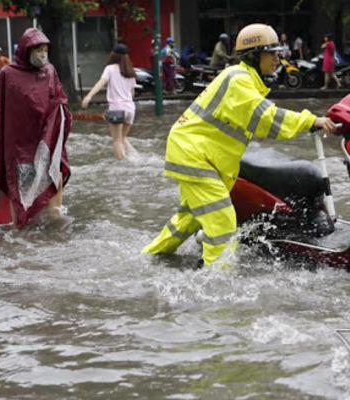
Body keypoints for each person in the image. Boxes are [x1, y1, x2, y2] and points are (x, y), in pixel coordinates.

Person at [142, 23, 337, 269]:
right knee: (223, 222)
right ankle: (217, 283)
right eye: (271, 53)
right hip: (195, 155)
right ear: (254, 55)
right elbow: (266, 119)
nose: (278, 58)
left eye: (277, 53)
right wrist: (311, 121)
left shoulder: (245, 80)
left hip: (198, 154)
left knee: (187, 219)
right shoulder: (239, 80)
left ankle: (151, 258)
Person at [0, 28, 71, 229]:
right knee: (19, 195)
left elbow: (59, 100)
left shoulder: (50, 71)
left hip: (45, 143)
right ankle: (18, 234)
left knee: (53, 185)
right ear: (26, 50)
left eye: (45, 49)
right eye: (38, 49)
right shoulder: (7, 74)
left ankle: (55, 233)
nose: (42, 53)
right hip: (19, 148)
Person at [82, 44, 137, 161]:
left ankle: (123, 165)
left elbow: (101, 83)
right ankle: (136, 159)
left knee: (116, 140)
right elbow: (132, 93)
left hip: (117, 109)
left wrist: (89, 96)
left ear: (113, 55)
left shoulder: (110, 69)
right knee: (122, 137)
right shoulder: (130, 71)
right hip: (130, 109)